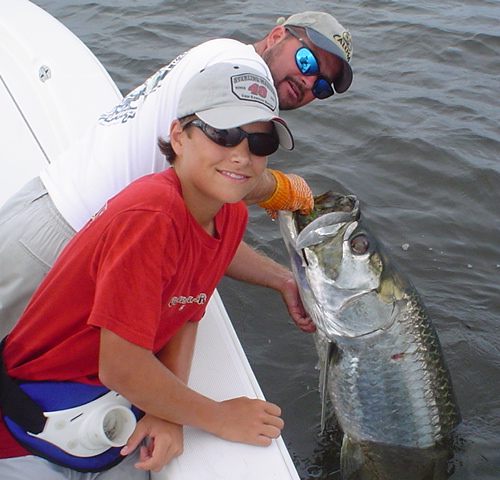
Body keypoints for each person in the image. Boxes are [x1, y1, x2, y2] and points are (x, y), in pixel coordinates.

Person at [0, 60, 311, 478]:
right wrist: (217, 416)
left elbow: (187, 310)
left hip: (111, 404)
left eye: (259, 141)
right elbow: (122, 366)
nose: (241, 155)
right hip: (32, 416)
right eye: (223, 134)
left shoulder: (229, 214)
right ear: (179, 137)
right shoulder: (150, 218)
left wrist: (170, 412)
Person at [0, 11, 354, 337]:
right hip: (60, 240)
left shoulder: (219, 56)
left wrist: (282, 279)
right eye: (306, 60)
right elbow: (221, 177)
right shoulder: (245, 73)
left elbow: (204, 227)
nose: (309, 82)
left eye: (323, 87)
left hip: (50, 214)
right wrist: (276, 188)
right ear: (277, 35)